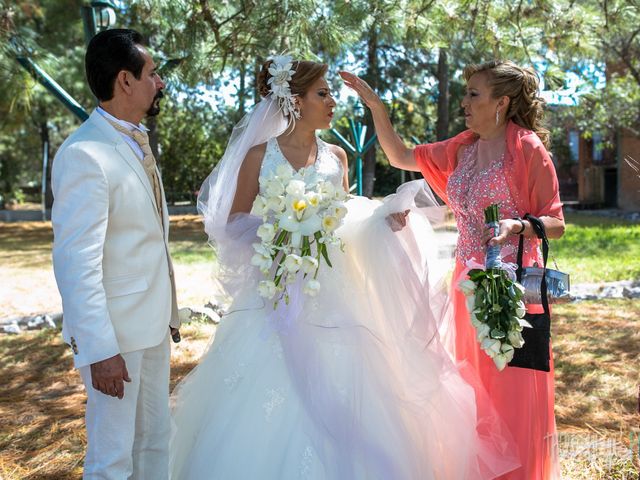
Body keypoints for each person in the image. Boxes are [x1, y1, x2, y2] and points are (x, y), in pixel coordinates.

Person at [169, 56, 520, 479]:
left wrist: (380, 220)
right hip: (276, 291)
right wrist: (285, 232)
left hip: (331, 291)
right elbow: (232, 225)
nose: (333, 101)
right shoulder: (259, 156)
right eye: (323, 93)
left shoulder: (335, 157)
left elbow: (345, 217)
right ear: (294, 100)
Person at [341, 60, 565, 479]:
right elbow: (401, 155)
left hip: (512, 295)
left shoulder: (528, 148)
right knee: (472, 391)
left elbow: (556, 222)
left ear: (501, 102)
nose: (464, 102)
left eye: (473, 94)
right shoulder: (461, 147)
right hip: (466, 288)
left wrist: (518, 225)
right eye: (465, 94)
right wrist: (375, 107)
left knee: (512, 392)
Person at [51, 28, 180, 479]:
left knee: (153, 445)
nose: (159, 82)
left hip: (152, 325)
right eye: (152, 73)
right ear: (125, 81)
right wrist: (99, 350)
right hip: (116, 338)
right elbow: (75, 262)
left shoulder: (133, 139)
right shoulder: (85, 153)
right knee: (112, 459)